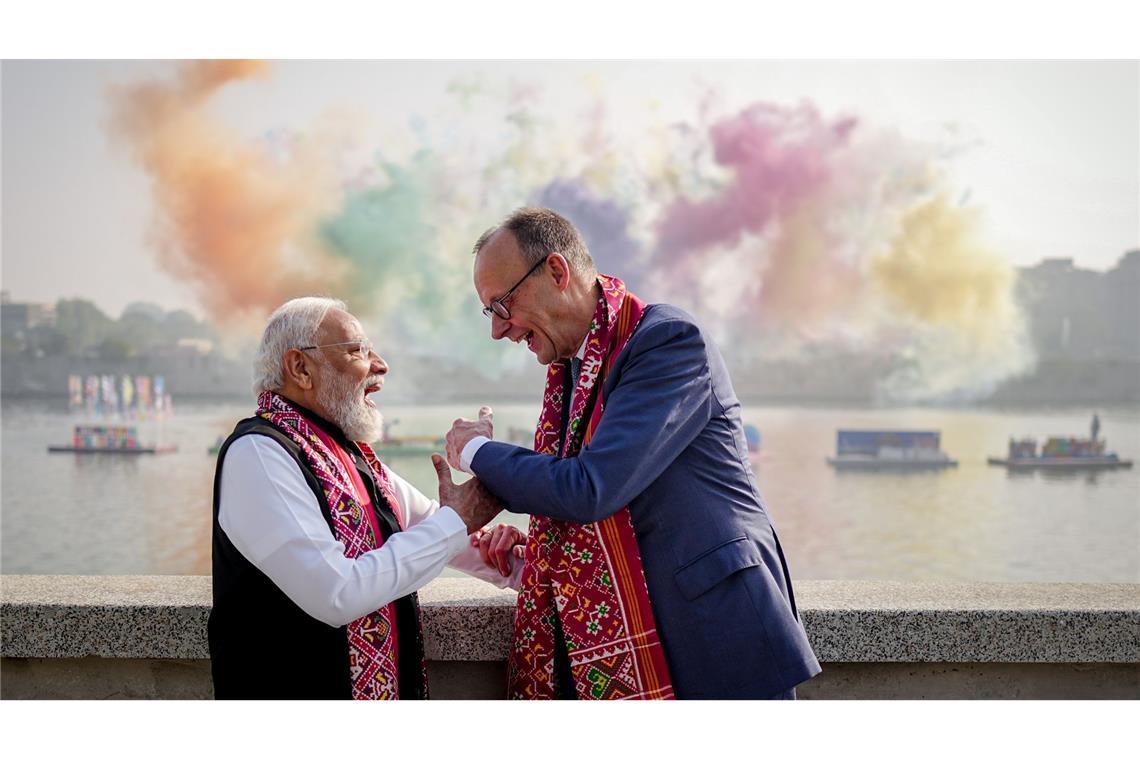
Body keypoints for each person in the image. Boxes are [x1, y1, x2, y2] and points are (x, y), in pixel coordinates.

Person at [443, 207, 821, 699]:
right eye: (489, 313)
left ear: (556, 271)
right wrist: (538, 553)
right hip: (657, 632)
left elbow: (591, 487)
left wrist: (474, 450)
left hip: (717, 637)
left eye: (502, 304)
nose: (499, 330)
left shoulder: (668, 342)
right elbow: (607, 505)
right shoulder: (574, 370)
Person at [209, 296, 520, 700]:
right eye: (357, 350)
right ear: (300, 368)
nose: (380, 365)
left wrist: (515, 561)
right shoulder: (258, 454)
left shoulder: (346, 455)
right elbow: (336, 594)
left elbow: (438, 530)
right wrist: (458, 521)